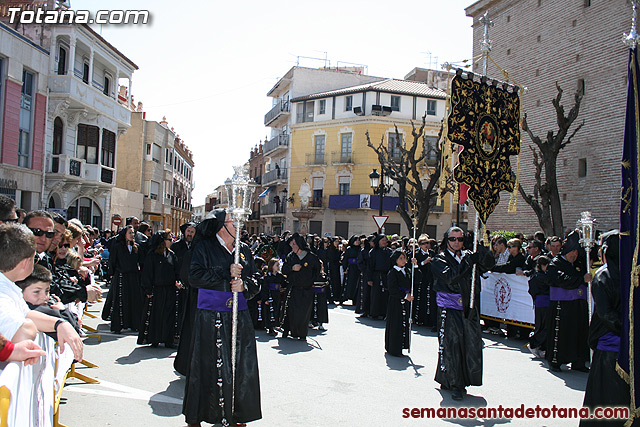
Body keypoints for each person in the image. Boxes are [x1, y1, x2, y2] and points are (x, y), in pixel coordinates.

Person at [183, 209, 261, 427]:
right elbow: (194, 277)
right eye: (234, 221)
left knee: (241, 367)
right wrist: (226, 275)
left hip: (240, 317)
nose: (239, 224)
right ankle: (199, 415)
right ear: (221, 225)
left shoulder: (243, 249)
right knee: (208, 365)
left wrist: (245, 285)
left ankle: (238, 414)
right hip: (211, 317)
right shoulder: (204, 247)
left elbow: (256, 278)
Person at [0, 223, 83, 361]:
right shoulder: (3, 296)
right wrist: (31, 327)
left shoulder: (8, 286)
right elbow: (22, 332)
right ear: (27, 262)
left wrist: (59, 324)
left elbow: (25, 313)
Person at [432, 227, 494, 401]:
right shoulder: (439, 259)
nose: (457, 242)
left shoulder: (468, 254)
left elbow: (488, 264)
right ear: (447, 240)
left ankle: (460, 379)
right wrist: (468, 262)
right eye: (453, 239)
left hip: (470, 307)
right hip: (450, 308)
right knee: (452, 345)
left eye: (460, 239)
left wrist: (481, 247)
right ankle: (455, 384)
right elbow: (451, 277)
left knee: (470, 344)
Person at [580, 230, 630, 425]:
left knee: (606, 397)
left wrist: (623, 331)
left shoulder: (603, 275)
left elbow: (606, 314)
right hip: (626, 342)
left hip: (611, 345)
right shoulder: (627, 273)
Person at [546, 230, 591, 372]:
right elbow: (562, 280)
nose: (575, 255)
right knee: (561, 335)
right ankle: (556, 361)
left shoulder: (577, 264)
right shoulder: (555, 264)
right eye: (573, 252)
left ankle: (578, 361)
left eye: (577, 253)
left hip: (578, 304)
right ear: (567, 252)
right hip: (562, 305)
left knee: (579, 333)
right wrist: (581, 280)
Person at [138, 230, 180, 348]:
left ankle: (168, 339)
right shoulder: (153, 255)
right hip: (156, 290)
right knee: (156, 315)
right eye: (169, 239)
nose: (172, 242)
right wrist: (148, 290)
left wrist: (178, 282)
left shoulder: (172, 255)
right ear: (163, 241)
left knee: (169, 315)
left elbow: (176, 272)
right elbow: (147, 274)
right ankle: (154, 338)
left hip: (169, 289)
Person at [281, 232, 321, 340]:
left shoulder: (311, 257)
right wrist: (292, 268)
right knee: (291, 311)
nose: (292, 246)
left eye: (294, 244)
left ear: (299, 245)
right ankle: (288, 330)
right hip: (293, 289)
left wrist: (310, 281)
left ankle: (302, 333)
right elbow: (283, 269)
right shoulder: (291, 256)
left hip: (306, 289)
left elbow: (317, 270)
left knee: (304, 313)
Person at [102, 226, 142, 333]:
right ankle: (117, 325)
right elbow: (112, 261)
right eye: (129, 233)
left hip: (133, 276)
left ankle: (133, 324)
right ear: (124, 234)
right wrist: (112, 274)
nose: (132, 235)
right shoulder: (118, 246)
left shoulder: (135, 247)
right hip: (121, 275)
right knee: (120, 300)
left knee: (133, 299)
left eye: (133, 233)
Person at [385, 249, 420, 357]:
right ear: (395, 260)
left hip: (406, 300)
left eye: (405, 258)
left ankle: (403, 344)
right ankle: (394, 348)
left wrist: (415, 266)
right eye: (401, 258)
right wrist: (405, 296)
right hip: (396, 300)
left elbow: (417, 279)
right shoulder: (392, 272)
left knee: (405, 322)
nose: (403, 260)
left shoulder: (408, 271)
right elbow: (392, 288)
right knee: (396, 323)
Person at [527, 255, 551, 359]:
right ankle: (534, 343)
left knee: (543, 325)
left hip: (542, 302)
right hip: (543, 302)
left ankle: (541, 347)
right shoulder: (540, 276)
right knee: (543, 326)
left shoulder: (537, 275)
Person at [367, 233, 392, 320]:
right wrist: (369, 278)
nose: (384, 242)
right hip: (376, 275)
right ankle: (375, 313)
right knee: (376, 294)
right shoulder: (373, 252)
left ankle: (384, 312)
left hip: (386, 275)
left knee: (386, 294)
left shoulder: (389, 251)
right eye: (383, 240)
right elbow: (370, 266)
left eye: (386, 240)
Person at [260, 258, 287, 337]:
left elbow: (284, 283)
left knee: (276, 310)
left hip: (277, 295)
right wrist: (265, 298)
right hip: (270, 295)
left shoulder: (279, 276)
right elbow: (264, 288)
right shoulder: (267, 277)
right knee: (269, 311)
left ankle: (275, 324)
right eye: (277, 265)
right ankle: (270, 328)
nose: (278, 267)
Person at [342, 235, 361, 305]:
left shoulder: (360, 249)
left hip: (358, 268)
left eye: (359, 240)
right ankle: (344, 297)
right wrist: (345, 268)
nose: (357, 242)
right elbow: (345, 259)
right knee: (349, 283)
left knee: (357, 284)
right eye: (356, 240)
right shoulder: (349, 249)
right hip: (350, 268)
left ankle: (355, 299)